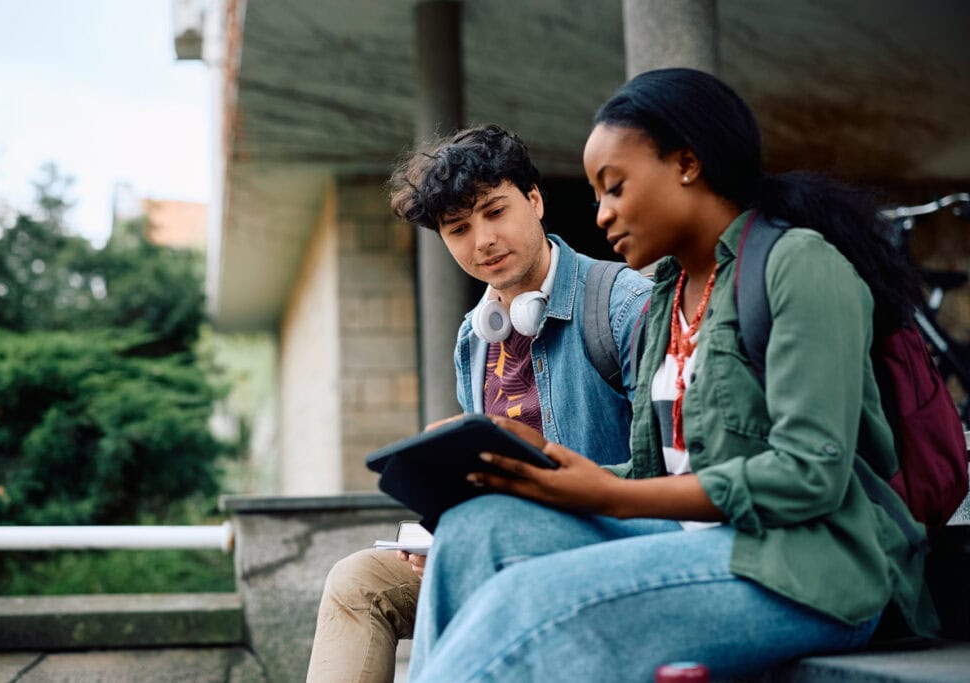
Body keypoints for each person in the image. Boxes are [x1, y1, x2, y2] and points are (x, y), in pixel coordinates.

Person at [407, 68, 939, 682]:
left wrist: (611, 495)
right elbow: (657, 474)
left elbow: (809, 475)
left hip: (807, 566)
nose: (601, 214)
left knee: (526, 599)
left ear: (687, 163)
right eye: (597, 194)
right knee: (476, 530)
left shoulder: (798, 266)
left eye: (615, 188)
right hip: (692, 538)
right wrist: (540, 464)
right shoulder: (669, 293)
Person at [305, 124, 653, 683]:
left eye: (495, 212)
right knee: (357, 582)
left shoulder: (622, 304)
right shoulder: (474, 337)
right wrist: (448, 525)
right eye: (458, 228)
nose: (482, 240)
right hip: (500, 547)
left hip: (598, 543)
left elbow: (668, 470)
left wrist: (524, 514)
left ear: (535, 200)